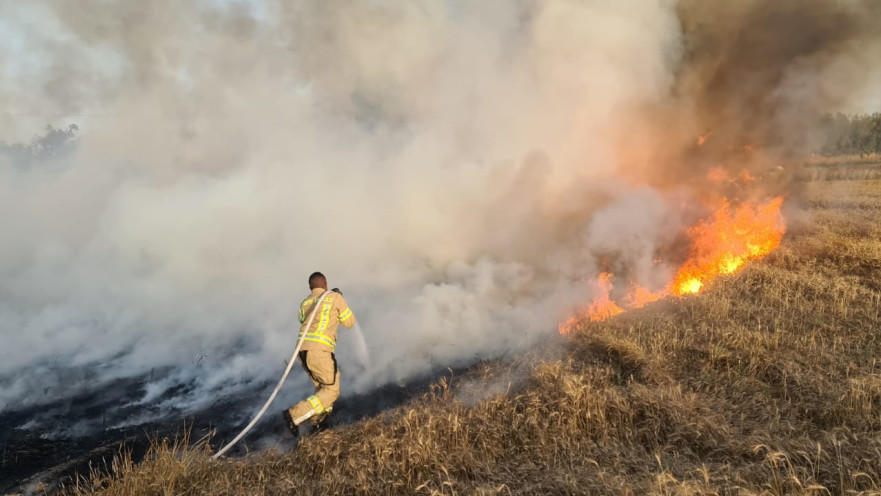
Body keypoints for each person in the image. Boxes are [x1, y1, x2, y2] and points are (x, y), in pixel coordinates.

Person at [282, 271, 356, 436]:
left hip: (302, 352)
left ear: (310, 288)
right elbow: (349, 322)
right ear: (326, 285)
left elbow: (302, 319)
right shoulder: (335, 297)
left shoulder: (305, 302)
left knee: (324, 386)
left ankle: (319, 425)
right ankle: (295, 415)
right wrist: (339, 298)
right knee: (332, 391)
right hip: (319, 351)